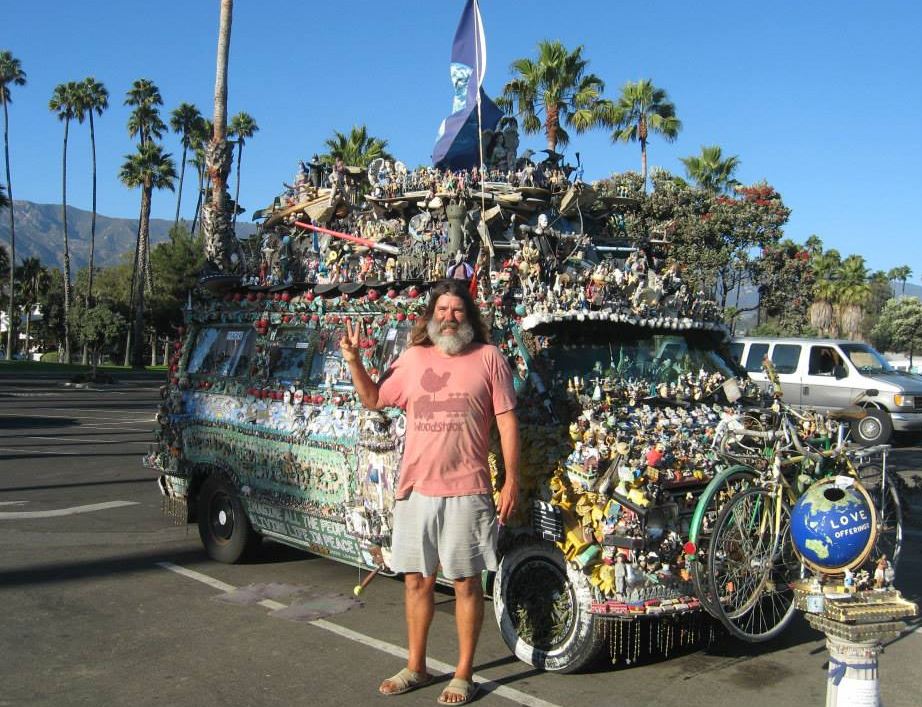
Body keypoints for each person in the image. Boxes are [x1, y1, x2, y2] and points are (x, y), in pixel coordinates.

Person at [340, 279, 520, 705]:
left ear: (470, 318)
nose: (449, 317)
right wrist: (353, 360)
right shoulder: (414, 358)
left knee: (465, 582)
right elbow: (373, 399)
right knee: (417, 582)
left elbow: (508, 421)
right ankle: (416, 666)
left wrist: (512, 479)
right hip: (416, 488)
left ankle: (463, 673)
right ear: (430, 316)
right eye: (442, 310)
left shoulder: (490, 359)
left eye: (457, 310)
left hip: (468, 489)